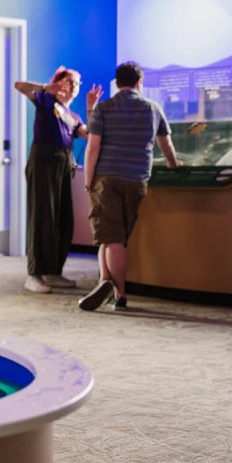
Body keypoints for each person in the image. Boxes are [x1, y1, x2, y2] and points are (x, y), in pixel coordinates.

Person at [79, 61, 180, 311]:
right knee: (113, 237)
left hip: (107, 177)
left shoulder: (105, 107)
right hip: (137, 179)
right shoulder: (153, 109)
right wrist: (173, 163)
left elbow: (93, 147)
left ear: (117, 83)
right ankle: (104, 281)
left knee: (112, 238)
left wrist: (88, 180)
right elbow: (166, 144)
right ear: (139, 83)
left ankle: (119, 293)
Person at [14, 66, 102, 293]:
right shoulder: (45, 100)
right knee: (42, 217)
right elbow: (19, 86)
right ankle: (34, 274)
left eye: (76, 84)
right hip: (43, 161)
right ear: (59, 83)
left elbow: (90, 135)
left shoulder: (73, 116)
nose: (73, 87)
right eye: (69, 82)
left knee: (63, 219)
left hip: (63, 164)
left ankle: (53, 271)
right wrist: (46, 87)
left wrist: (91, 108)